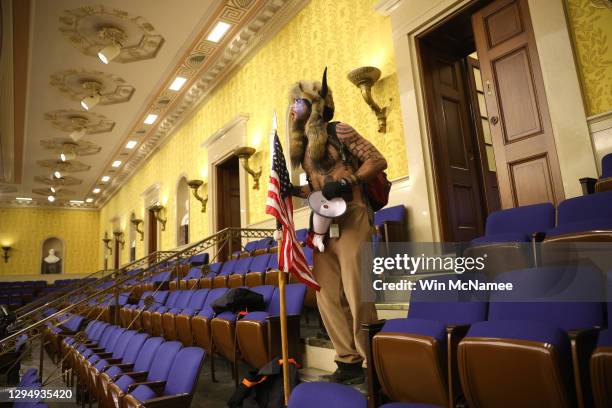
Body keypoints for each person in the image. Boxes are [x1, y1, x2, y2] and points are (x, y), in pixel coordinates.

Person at [287, 69, 387, 384]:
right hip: (322, 223)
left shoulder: (339, 131)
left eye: (300, 104)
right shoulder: (304, 151)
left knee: (358, 292)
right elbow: (314, 189)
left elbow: (377, 160)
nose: (294, 110)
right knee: (326, 294)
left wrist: (348, 180)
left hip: (354, 215)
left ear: (316, 107)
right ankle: (347, 360)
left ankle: (375, 362)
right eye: (293, 106)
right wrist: (293, 191)